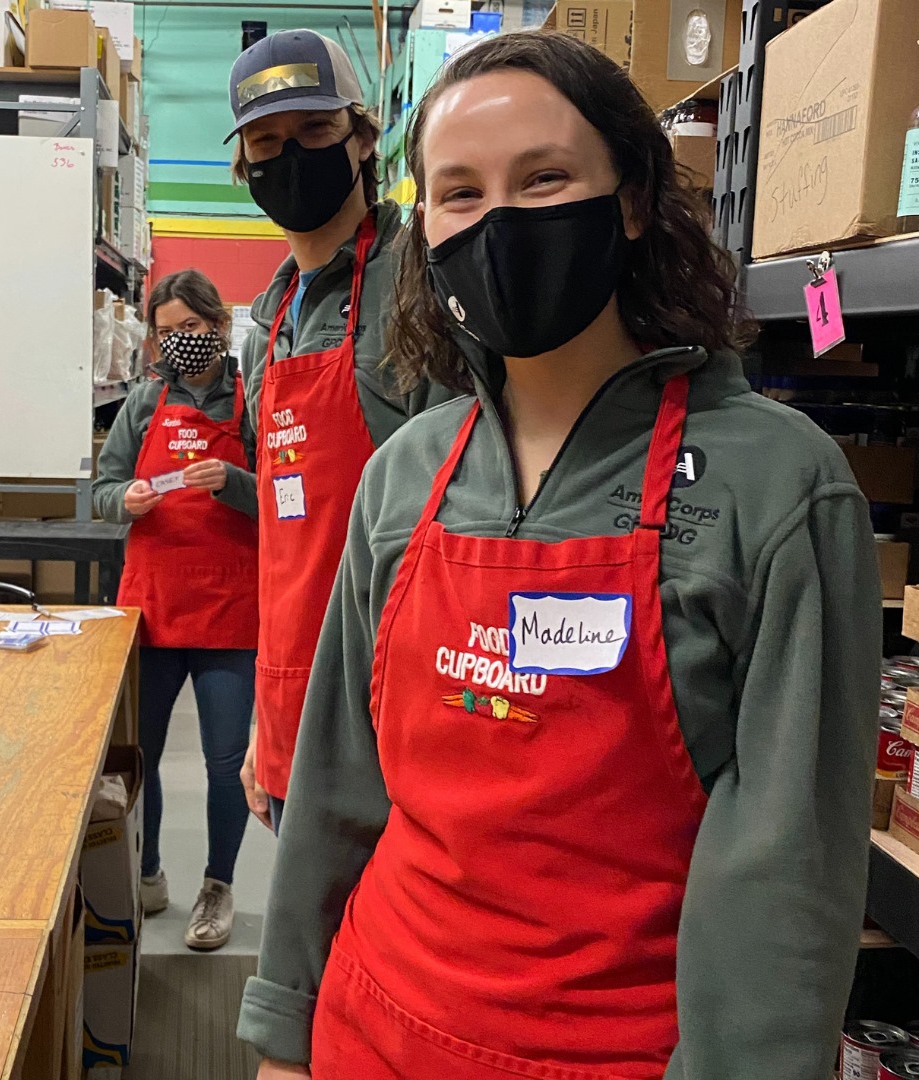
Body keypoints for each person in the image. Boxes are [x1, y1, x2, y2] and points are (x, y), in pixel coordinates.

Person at [237, 30, 880, 1080]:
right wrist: (285, 1033)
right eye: (459, 192)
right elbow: (337, 789)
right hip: (373, 1028)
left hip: (615, 1055)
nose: (499, 223)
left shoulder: (777, 489)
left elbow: (787, 877)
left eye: (543, 178)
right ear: (428, 225)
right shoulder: (407, 475)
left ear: (630, 198)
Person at [224, 29, 452, 832]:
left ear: (362, 138)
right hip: (293, 698)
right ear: (242, 167)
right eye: (267, 142)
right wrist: (266, 713)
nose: (290, 157)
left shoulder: (421, 277)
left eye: (315, 133)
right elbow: (286, 540)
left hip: (400, 705)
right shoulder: (267, 315)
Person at [94, 269, 258, 952]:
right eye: (166, 332)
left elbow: (289, 499)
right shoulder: (142, 402)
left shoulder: (257, 401)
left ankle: (217, 888)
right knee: (144, 754)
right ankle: (149, 869)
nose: (179, 342)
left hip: (230, 609)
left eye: (190, 329)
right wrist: (122, 499)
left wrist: (235, 482)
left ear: (219, 326)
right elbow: (100, 491)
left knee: (226, 765)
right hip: (154, 607)